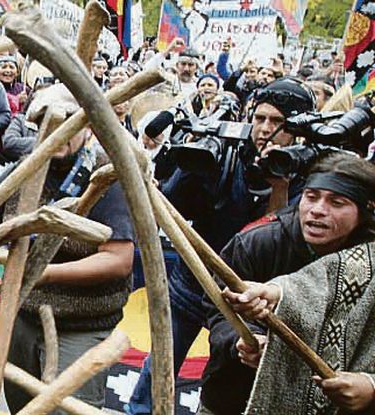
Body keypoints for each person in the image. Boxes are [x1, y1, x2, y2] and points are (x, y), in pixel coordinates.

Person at [126, 77, 317, 415]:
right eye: (259, 118)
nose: (264, 129)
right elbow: (170, 204)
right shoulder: (226, 150)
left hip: (248, 302)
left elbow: (278, 241)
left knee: (224, 391)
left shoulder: (309, 175)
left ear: (299, 128)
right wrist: (194, 163)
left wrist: (280, 186)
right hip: (192, 285)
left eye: (277, 122)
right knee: (158, 371)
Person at [0, 85, 135, 413]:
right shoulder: (21, 171)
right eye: (48, 124)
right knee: (22, 404)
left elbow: (119, 260)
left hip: (81, 327)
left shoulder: (107, 177)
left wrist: (44, 273)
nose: (58, 134)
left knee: (65, 410)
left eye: (68, 124)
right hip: (23, 318)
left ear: (85, 128)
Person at [199, 152, 375, 414]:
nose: (317, 209)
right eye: (311, 196)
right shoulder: (257, 243)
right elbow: (217, 308)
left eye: (336, 202)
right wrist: (242, 339)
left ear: (366, 210)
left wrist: (371, 385)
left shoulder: (368, 260)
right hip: (235, 397)